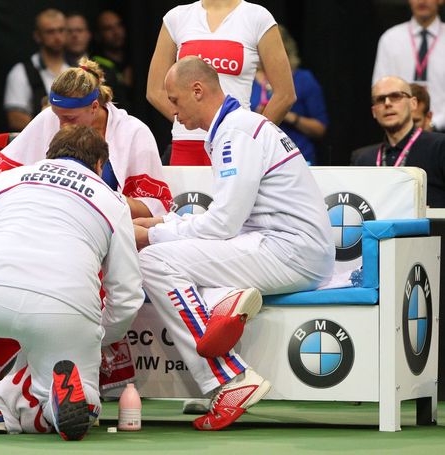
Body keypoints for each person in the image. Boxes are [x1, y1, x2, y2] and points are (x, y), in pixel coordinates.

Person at [135, 56, 334, 431]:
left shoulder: (236, 132)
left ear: (198, 90)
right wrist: (163, 221)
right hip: (284, 245)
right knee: (175, 253)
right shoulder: (238, 126)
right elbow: (229, 217)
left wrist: (151, 233)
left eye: (175, 101)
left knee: (155, 261)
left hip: (288, 251)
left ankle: (230, 380)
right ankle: (220, 302)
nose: (173, 115)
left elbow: (223, 224)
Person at [0, 124, 144, 439]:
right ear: (100, 165)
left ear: (47, 155)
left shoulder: (5, 181)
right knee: (82, 389)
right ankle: (64, 406)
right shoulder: (112, 202)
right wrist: (100, 335)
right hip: (67, 311)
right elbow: (126, 294)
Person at [0, 58, 173, 218]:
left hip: (109, 232)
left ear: (94, 107)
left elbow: (155, 207)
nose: (61, 125)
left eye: (70, 118)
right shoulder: (49, 119)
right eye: (57, 115)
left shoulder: (134, 132)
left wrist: (96, 197)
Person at [146, 0, 295, 165]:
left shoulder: (258, 17)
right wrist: (188, 119)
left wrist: (252, 137)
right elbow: (155, 91)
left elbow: (285, 95)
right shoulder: (176, 18)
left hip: (237, 142)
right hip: (187, 143)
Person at [351, 76, 445, 207]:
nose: (387, 103)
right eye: (380, 99)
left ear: (413, 103)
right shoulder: (362, 159)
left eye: (395, 96)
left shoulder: (439, 146)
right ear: (374, 111)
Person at [250, 26, 328, 165]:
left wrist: (287, 114)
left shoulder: (304, 79)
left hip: (298, 158)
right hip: (257, 159)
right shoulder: (247, 80)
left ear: (285, 48)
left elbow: (320, 129)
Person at [372, 0, 445, 131]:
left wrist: (433, 123)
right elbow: (379, 91)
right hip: (398, 130)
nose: (422, 1)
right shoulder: (390, 39)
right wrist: (402, 121)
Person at [4, 8, 71, 131]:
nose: (57, 37)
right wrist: (51, 130)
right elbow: (15, 118)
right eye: (50, 32)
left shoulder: (77, 69)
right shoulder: (21, 72)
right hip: (38, 145)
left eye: (61, 30)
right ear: (37, 36)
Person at [92, 10, 133, 112]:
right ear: (98, 34)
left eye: (119, 25)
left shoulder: (136, 59)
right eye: (108, 28)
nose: (116, 32)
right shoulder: (95, 67)